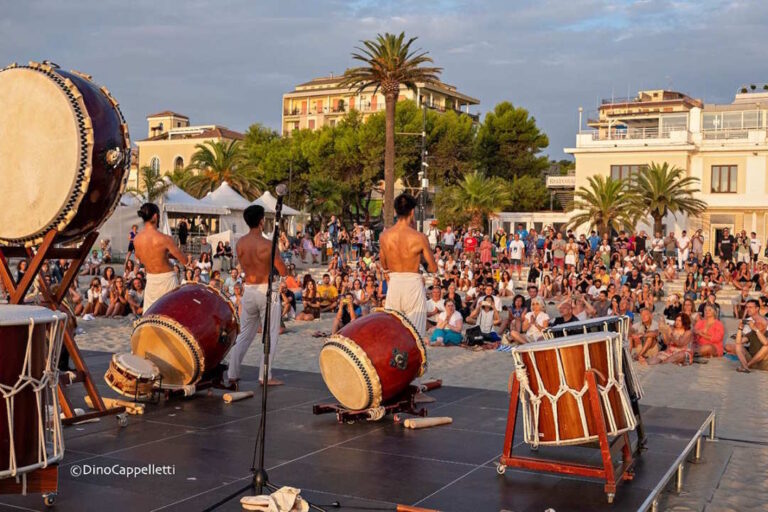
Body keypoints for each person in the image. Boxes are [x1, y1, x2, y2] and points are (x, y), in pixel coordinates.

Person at [224, 205, 287, 389]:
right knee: (271, 334)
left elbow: (243, 265)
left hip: (249, 289)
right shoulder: (268, 245)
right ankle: (264, 376)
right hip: (267, 289)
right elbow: (283, 270)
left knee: (244, 334)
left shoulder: (240, 243)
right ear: (261, 221)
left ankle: (232, 373)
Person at [379, 194, 437, 339]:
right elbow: (433, 268)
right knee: (415, 336)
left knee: (392, 333)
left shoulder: (384, 236)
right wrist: (421, 259)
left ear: (396, 211)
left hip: (394, 283)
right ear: (412, 212)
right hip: (413, 284)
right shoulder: (419, 237)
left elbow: (384, 263)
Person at [133, 203, 186, 311]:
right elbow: (184, 260)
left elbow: (139, 257)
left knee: (151, 313)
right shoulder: (165, 239)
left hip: (151, 279)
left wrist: (164, 254)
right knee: (170, 313)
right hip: (167, 279)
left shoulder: (137, 239)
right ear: (155, 216)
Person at [729, 299, 768, 372]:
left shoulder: (764, 326)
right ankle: (746, 366)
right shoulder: (751, 331)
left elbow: (766, 343)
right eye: (747, 307)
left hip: (764, 362)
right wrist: (740, 328)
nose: (748, 309)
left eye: (750, 307)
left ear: (757, 308)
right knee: (737, 345)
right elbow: (738, 342)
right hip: (753, 360)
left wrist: (755, 329)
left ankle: (747, 366)